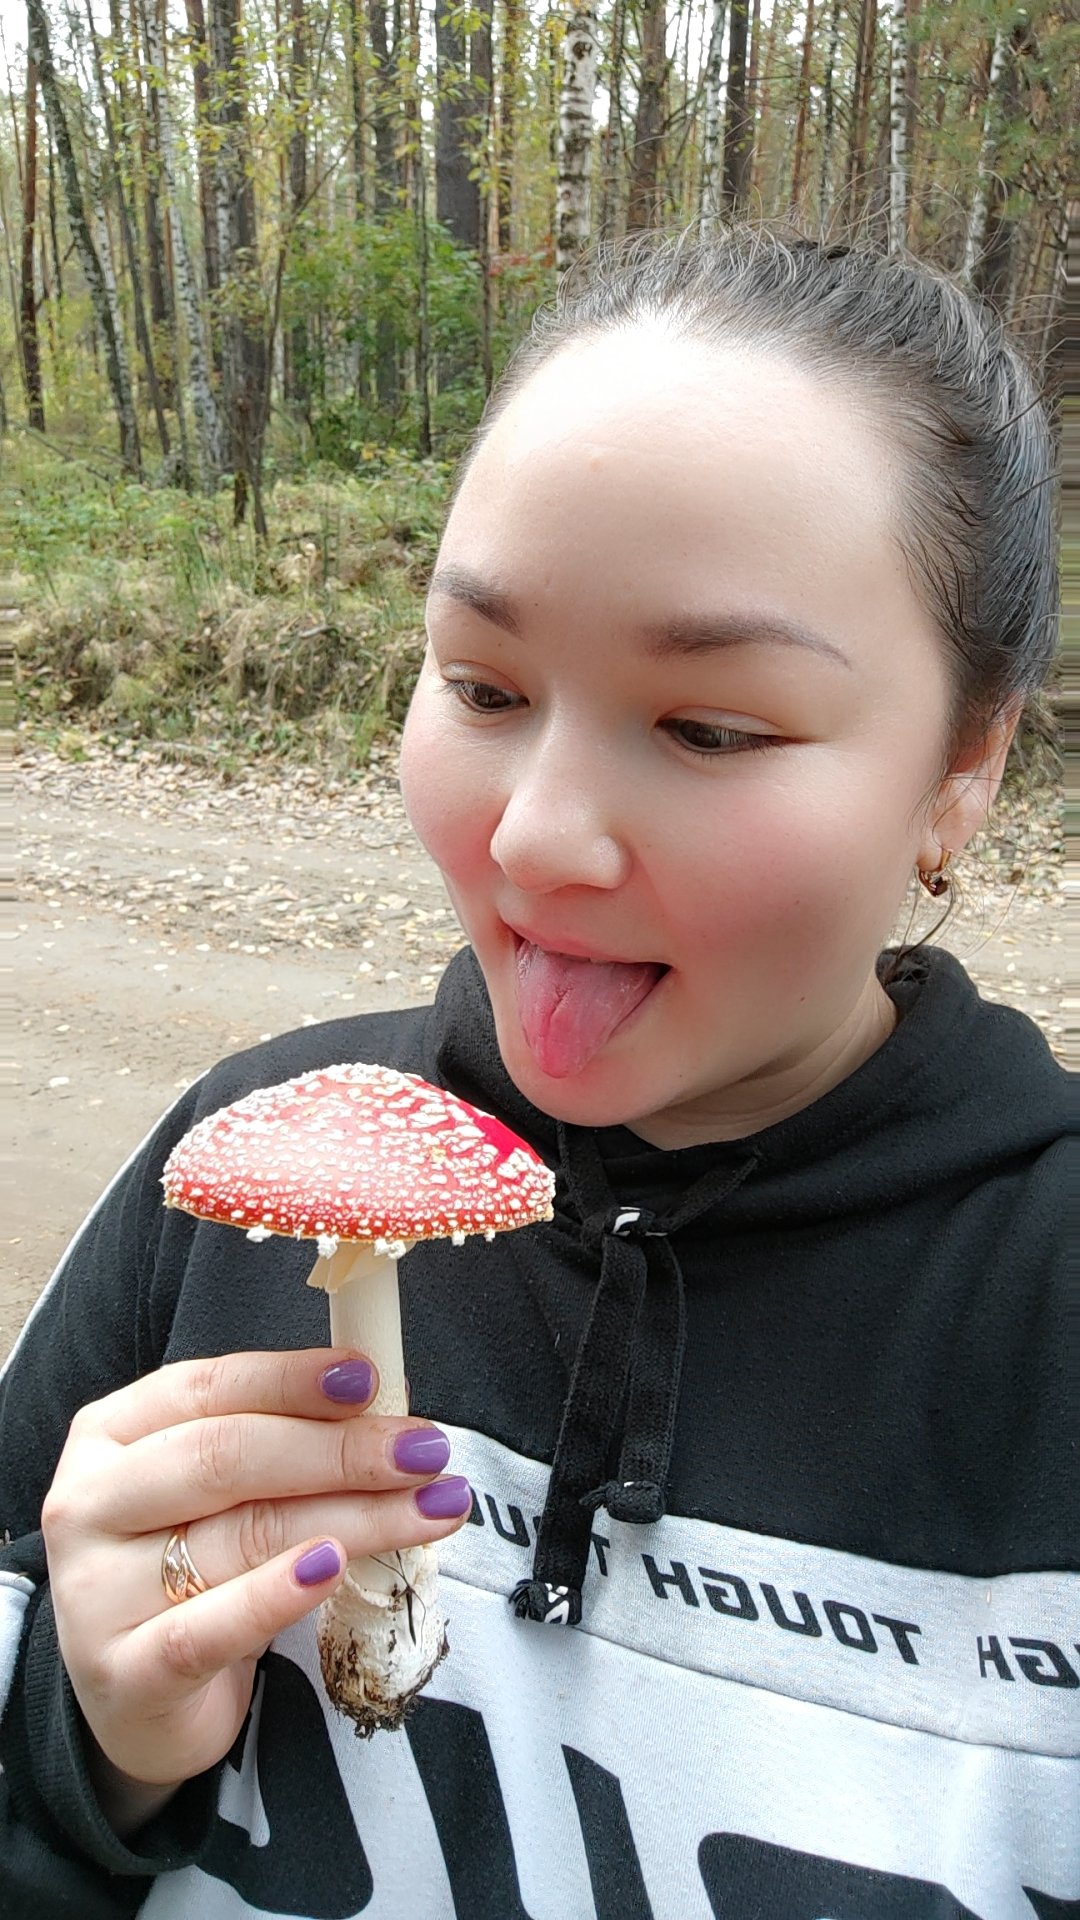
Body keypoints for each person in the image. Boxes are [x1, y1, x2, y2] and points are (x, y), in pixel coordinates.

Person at [1, 224, 1074, 1920]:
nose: (537, 838)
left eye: (711, 726)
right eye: (483, 685)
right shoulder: (243, 1165)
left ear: (965, 764)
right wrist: (96, 1747)